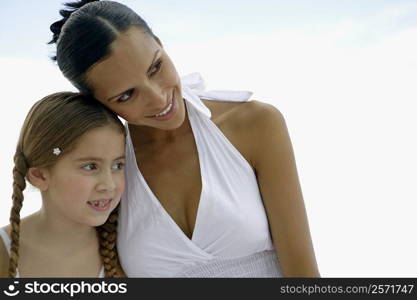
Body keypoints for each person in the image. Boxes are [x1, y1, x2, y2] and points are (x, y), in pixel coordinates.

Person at [48, 0, 320, 277]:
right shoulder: (107, 172)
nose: (158, 99)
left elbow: (304, 275)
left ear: (159, 42)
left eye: (155, 67)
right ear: (97, 103)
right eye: (127, 95)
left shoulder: (255, 124)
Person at [0, 92, 126, 278]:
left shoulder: (130, 253)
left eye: (118, 165)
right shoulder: (4, 253)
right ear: (40, 175)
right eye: (90, 166)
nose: (109, 185)